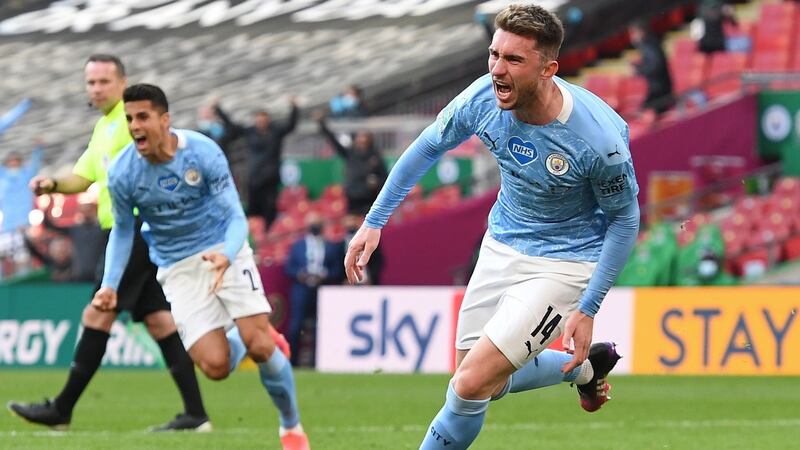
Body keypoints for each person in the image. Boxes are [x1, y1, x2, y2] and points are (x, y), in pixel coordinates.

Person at [344, 5, 640, 449]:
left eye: (514, 60)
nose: (498, 70)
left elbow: (625, 218)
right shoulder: (483, 97)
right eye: (494, 55)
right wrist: (374, 221)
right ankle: (584, 370)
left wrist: (590, 306)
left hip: (566, 262)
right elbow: (427, 146)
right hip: (502, 243)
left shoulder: (597, 141)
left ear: (548, 69)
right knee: (482, 382)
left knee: (467, 386)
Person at [95, 83, 309, 449]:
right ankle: (251, 339)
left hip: (223, 247)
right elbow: (123, 230)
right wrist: (109, 284)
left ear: (165, 119)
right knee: (215, 368)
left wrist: (226, 253)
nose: (134, 126)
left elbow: (235, 216)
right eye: (129, 118)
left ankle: (291, 428)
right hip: (177, 267)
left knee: (259, 345)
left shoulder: (203, 152)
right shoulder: (123, 173)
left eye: (142, 117)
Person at [7, 54, 211, 432]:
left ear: (122, 83)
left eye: (104, 81)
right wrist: (52, 184)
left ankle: (62, 408)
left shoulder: (128, 124)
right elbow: (83, 178)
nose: (96, 88)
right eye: (91, 82)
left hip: (133, 229)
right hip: (126, 231)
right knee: (159, 321)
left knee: (98, 312)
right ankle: (195, 414)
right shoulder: (104, 128)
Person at [215, 97, 299, 230]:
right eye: (258, 119)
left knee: (270, 207)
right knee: (253, 208)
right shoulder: (250, 132)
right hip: (254, 178)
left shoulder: (275, 132)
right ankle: (254, 232)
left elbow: (291, 125)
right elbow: (232, 125)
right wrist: (218, 110)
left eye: (263, 119)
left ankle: (268, 232)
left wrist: (294, 107)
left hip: (271, 178)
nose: (261, 122)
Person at [284, 211, 345, 366]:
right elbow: (289, 268)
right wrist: (300, 274)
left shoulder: (331, 246)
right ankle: (293, 361)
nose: (314, 226)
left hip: (322, 290)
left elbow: (338, 270)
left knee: (322, 327)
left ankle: (317, 362)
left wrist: (325, 274)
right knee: (296, 326)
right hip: (301, 289)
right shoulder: (298, 245)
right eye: (312, 223)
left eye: (317, 223)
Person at [314, 110, 388, 215]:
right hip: (352, 196)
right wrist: (322, 124)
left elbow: (384, 177)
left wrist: (376, 183)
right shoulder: (351, 153)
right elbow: (334, 142)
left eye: (364, 137)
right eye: (359, 137)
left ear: (369, 140)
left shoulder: (375, 157)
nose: (361, 140)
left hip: (369, 199)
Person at [629, 22, 674, 115]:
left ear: (641, 32)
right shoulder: (648, 44)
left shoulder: (649, 45)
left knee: (645, 112)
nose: (632, 37)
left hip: (659, 89)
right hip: (657, 87)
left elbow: (655, 65)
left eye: (634, 33)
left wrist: (639, 70)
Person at [0, 145, 42, 232]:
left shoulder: (27, 174)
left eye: (16, 160)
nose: (13, 163)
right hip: (7, 222)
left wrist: (38, 148)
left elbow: (35, 164)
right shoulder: (3, 175)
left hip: (25, 220)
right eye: (11, 161)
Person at [342, 213, 382, 285]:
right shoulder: (341, 242)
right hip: (348, 283)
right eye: (348, 220)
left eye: (353, 220)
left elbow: (378, 261)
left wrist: (371, 278)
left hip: (368, 282)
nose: (351, 223)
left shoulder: (370, 239)